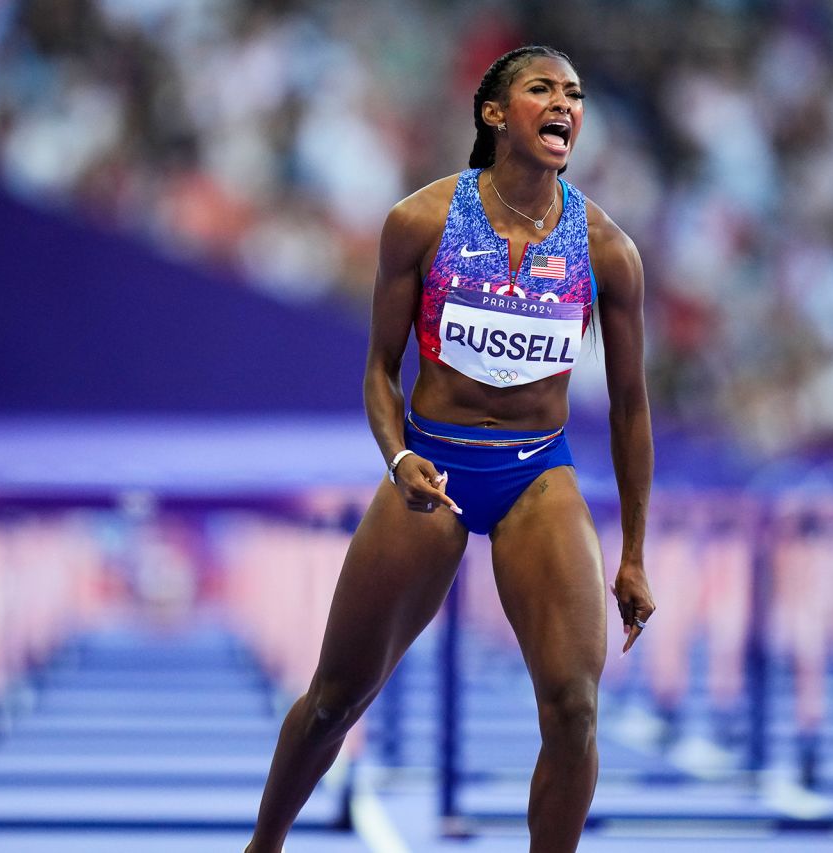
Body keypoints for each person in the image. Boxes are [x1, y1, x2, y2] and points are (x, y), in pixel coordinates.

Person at [245, 45, 655, 853]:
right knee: (336, 699)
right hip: (431, 466)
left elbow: (633, 409)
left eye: (573, 93)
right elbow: (376, 370)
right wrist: (398, 459)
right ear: (496, 114)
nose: (564, 103)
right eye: (542, 89)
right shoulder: (421, 222)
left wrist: (635, 551)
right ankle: (263, 846)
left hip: (539, 473)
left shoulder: (608, 250)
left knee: (574, 707)